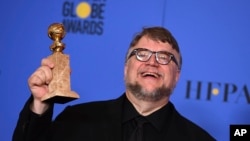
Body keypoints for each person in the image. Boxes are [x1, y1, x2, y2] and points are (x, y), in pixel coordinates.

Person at [13, 26, 215, 141]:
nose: (152, 62)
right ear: (126, 68)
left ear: (177, 75)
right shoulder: (75, 120)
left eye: (164, 57)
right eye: (141, 54)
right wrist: (40, 103)